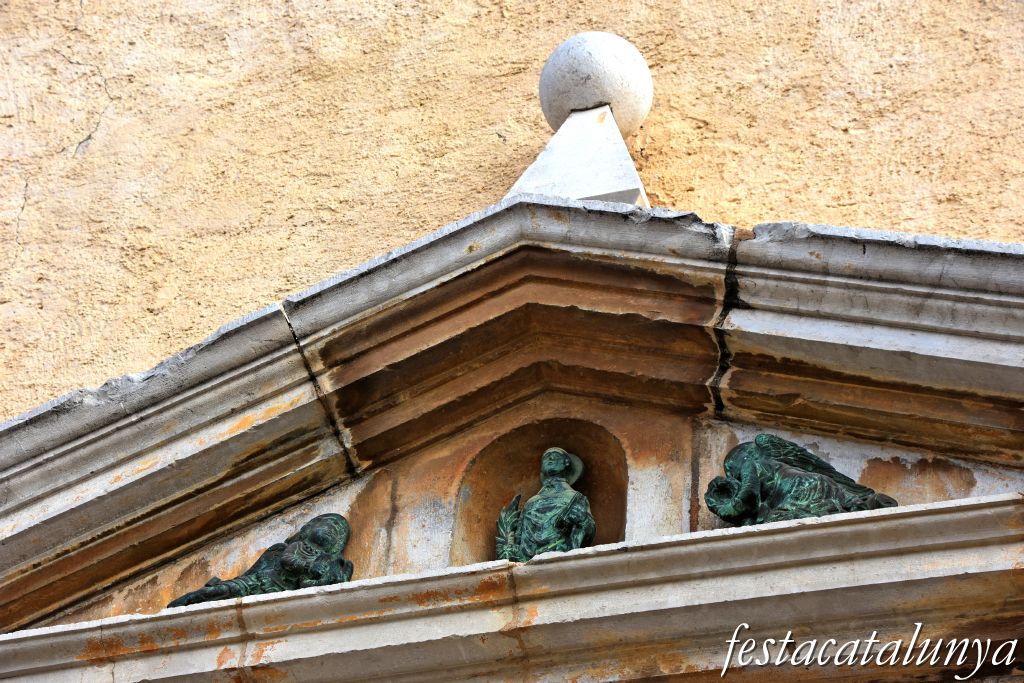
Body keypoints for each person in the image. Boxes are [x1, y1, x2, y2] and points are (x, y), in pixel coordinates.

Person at [496, 447, 596, 562]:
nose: (551, 458)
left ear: (566, 463)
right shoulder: (531, 502)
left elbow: (587, 529)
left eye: (556, 456)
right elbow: (519, 537)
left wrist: (583, 521)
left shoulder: (574, 498)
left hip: (559, 557)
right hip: (528, 561)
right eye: (546, 457)